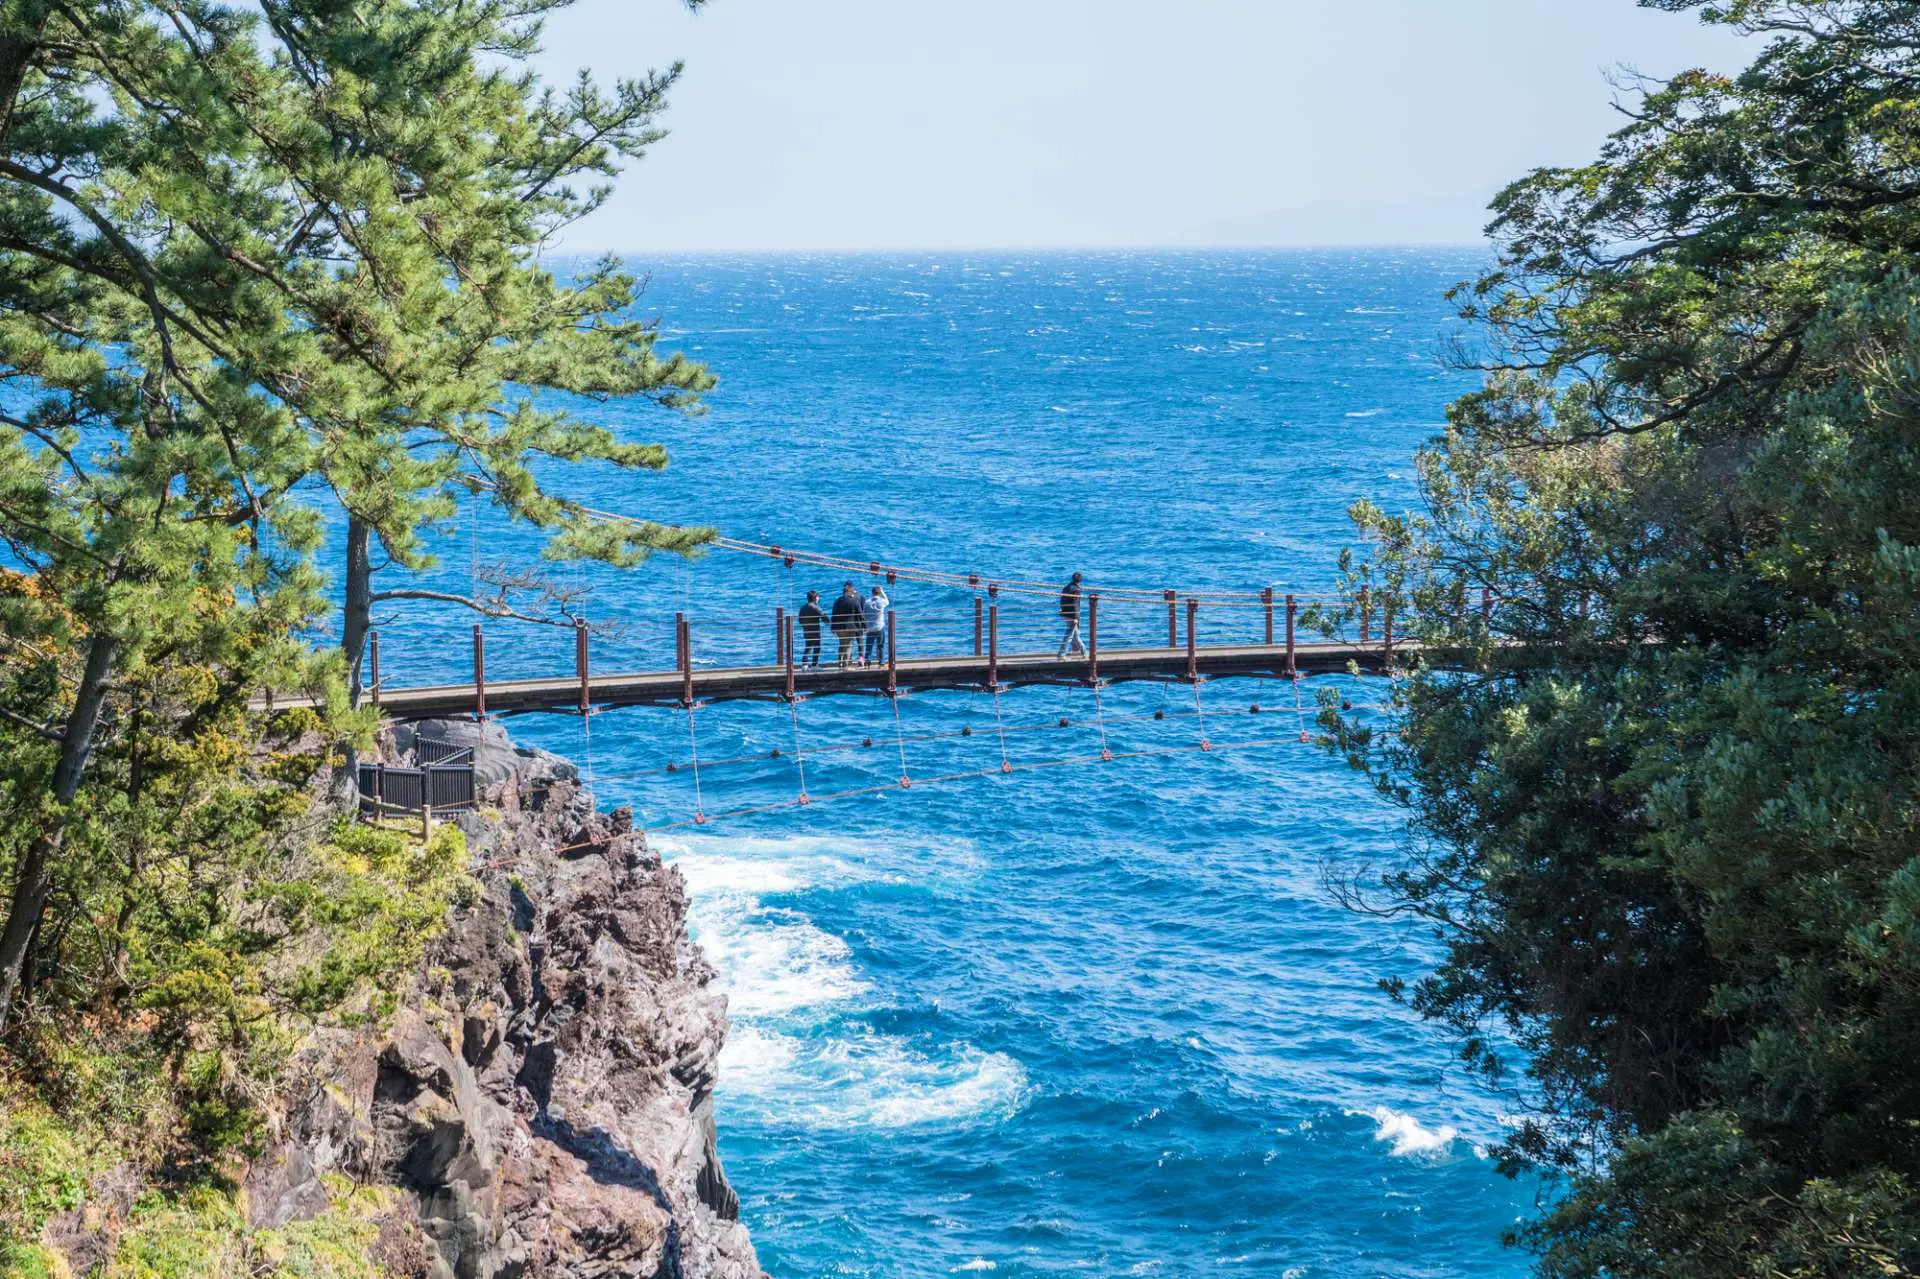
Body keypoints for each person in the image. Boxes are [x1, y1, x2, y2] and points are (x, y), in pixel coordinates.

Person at [830, 581, 864, 667]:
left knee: (842, 644)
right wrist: (865, 625)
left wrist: (832, 627)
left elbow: (833, 615)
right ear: (850, 590)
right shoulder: (854, 600)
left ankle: (840, 661)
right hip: (851, 627)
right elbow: (860, 614)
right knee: (849, 644)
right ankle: (846, 663)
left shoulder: (837, 601)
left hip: (839, 627)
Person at [1058, 571, 1087, 658]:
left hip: (1065, 613)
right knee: (1069, 636)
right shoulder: (1076, 590)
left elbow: (1062, 601)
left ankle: (1084, 653)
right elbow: (1075, 605)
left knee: (1076, 635)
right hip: (1072, 615)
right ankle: (1061, 655)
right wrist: (1075, 618)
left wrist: (1063, 611)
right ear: (1080, 580)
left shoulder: (1067, 587)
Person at [796, 590, 826, 668]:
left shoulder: (803, 607)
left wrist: (805, 625)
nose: (818, 599)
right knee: (817, 647)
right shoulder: (815, 607)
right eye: (818, 597)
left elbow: (800, 620)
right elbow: (824, 618)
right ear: (815, 598)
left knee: (808, 646)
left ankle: (804, 664)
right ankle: (814, 664)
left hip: (806, 630)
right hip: (815, 630)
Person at [862, 584, 890, 665]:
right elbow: (887, 601)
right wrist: (883, 592)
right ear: (879, 593)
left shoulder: (867, 602)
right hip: (879, 626)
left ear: (872, 593)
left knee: (869, 646)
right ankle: (881, 662)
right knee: (881, 645)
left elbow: (864, 614)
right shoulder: (881, 601)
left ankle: (867, 661)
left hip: (870, 627)